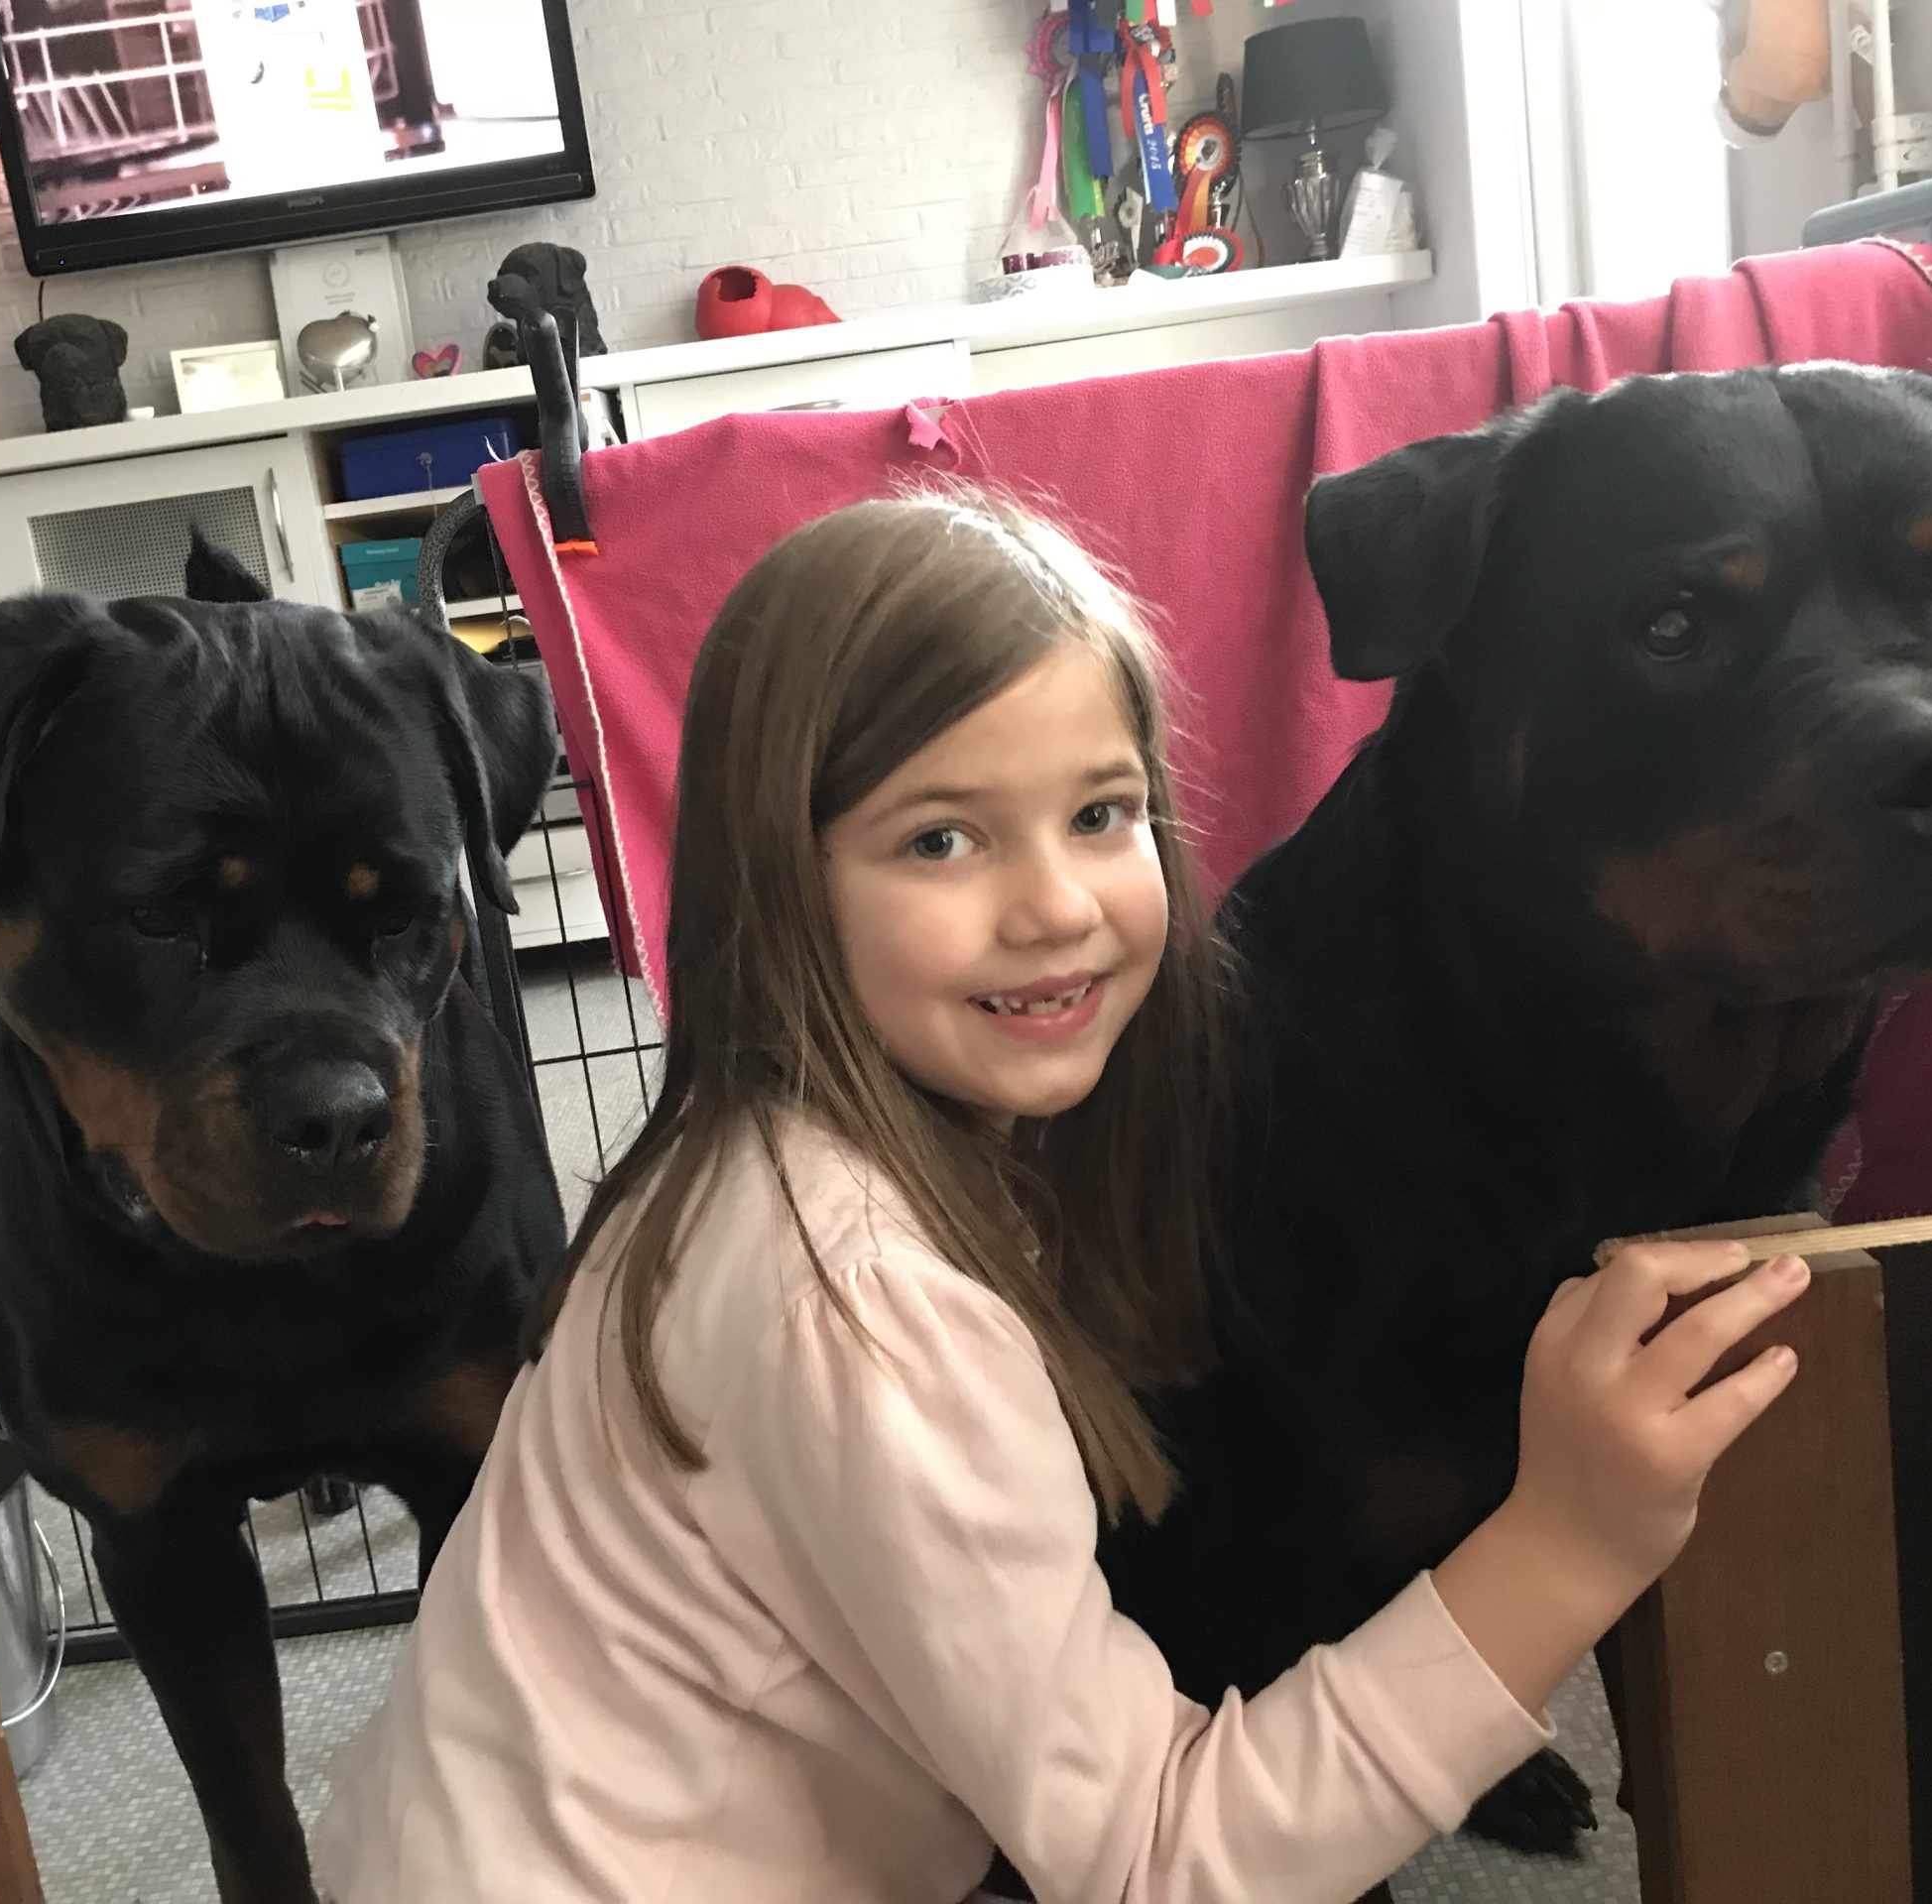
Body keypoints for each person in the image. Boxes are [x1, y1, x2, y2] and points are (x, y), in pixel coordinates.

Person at [312, 491, 1809, 1903]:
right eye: (940, 838)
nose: (1057, 906)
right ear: (779, 884)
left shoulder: (762, 1150)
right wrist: (1574, 1536)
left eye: (1102, 814)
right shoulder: (858, 1305)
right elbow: (1159, 1864)